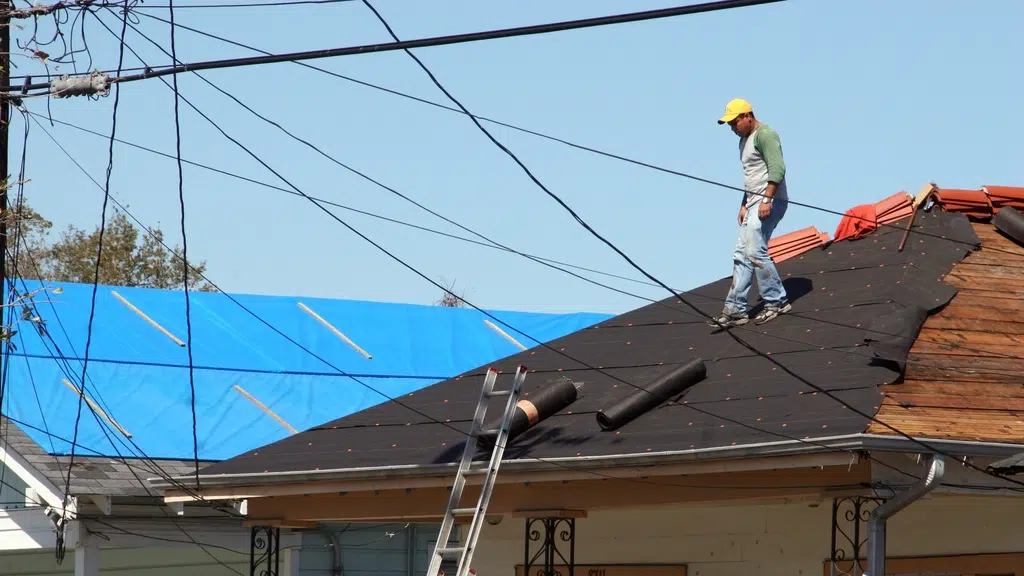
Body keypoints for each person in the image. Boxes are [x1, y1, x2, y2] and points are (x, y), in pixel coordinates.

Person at [708, 98, 791, 328]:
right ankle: (735, 310)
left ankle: (777, 301)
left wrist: (766, 199)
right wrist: (744, 204)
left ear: (748, 116)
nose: (733, 128)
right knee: (741, 253)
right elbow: (752, 177)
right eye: (730, 125)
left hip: (770, 200)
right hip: (755, 201)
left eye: (735, 123)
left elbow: (777, 168)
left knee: (755, 250)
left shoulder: (765, 134)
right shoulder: (743, 141)